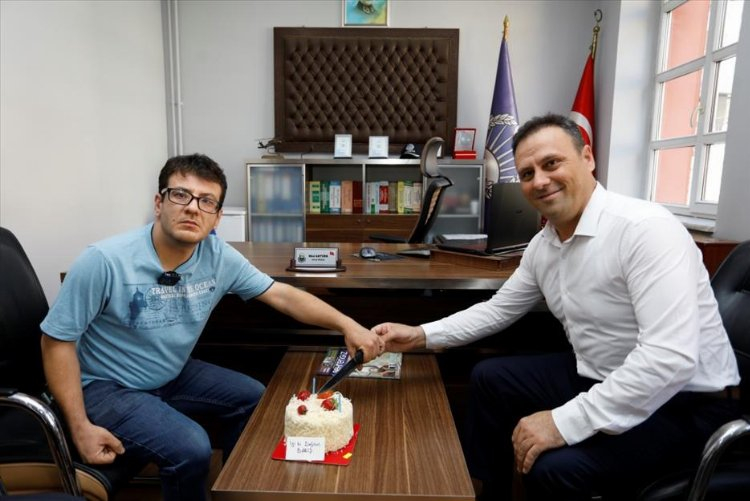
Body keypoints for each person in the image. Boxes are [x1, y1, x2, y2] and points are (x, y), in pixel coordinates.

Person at [372, 114, 740, 500]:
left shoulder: (645, 229)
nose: (540, 181)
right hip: (600, 374)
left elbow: (669, 359)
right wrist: (420, 335)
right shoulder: (544, 244)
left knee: (552, 468)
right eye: (527, 173)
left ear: (587, 158)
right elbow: (498, 310)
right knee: (490, 378)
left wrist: (562, 423)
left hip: (685, 403)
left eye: (552, 163)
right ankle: (486, 492)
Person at [40, 153, 384, 501]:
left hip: (168, 375)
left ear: (217, 216)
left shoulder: (219, 257)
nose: (193, 208)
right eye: (180, 195)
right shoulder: (104, 260)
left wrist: (348, 324)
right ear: (159, 203)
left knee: (252, 397)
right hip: (105, 385)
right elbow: (55, 341)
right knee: (191, 446)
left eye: (207, 201)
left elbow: (282, 295)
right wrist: (79, 427)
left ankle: (234, 490)